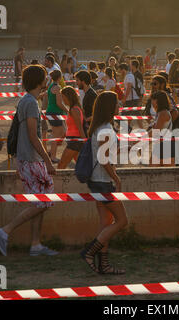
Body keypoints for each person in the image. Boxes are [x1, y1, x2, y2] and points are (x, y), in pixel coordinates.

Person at [0, 65, 58, 257]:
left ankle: (36, 245)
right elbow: (32, 135)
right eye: (45, 77)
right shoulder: (30, 103)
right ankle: (5, 231)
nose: (47, 80)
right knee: (43, 201)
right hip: (32, 158)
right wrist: (47, 160)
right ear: (39, 81)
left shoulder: (27, 101)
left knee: (41, 201)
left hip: (27, 158)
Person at [80, 91, 128, 275]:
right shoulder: (106, 129)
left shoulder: (100, 127)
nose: (119, 106)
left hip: (97, 181)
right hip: (103, 182)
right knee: (122, 220)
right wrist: (116, 178)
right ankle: (89, 252)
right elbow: (104, 159)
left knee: (105, 222)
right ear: (110, 107)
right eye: (116, 103)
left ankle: (104, 264)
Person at [43, 70, 69, 163]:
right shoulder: (57, 87)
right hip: (55, 113)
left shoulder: (51, 85)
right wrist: (67, 110)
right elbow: (59, 103)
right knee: (56, 136)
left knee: (62, 132)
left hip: (52, 112)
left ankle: (51, 152)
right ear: (60, 77)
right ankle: (53, 156)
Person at [57, 86, 86, 169]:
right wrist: (62, 138)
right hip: (73, 140)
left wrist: (85, 143)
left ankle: (57, 182)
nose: (62, 100)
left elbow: (80, 128)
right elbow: (71, 128)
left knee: (61, 165)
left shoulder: (74, 110)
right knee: (81, 167)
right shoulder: (73, 109)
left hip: (75, 142)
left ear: (68, 97)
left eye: (63, 97)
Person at [149, 91, 174, 166]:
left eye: (153, 100)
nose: (152, 102)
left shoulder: (162, 113)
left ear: (157, 101)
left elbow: (155, 131)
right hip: (164, 144)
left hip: (165, 145)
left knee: (152, 173)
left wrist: (140, 141)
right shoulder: (161, 113)